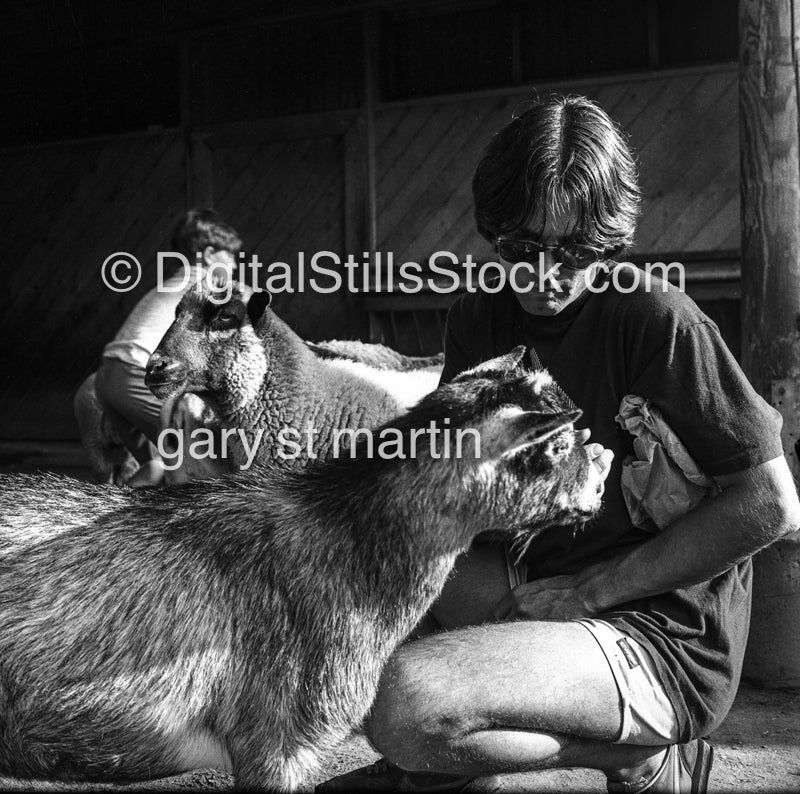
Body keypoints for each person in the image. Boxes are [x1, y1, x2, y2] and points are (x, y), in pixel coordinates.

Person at [318, 96, 800, 793]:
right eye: (521, 250)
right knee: (368, 565)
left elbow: (772, 504)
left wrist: (595, 590)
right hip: (538, 581)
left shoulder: (659, 321)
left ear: (611, 240)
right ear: (494, 233)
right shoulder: (479, 318)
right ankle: (442, 772)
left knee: (406, 708)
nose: (544, 276)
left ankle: (643, 751)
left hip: (659, 624)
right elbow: (444, 478)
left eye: (573, 253)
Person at [94, 208, 243, 486]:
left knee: (160, 462)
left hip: (108, 377)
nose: (234, 263)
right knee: (203, 452)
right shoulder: (207, 283)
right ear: (210, 254)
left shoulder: (175, 281)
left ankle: (119, 514)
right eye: (231, 256)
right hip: (137, 375)